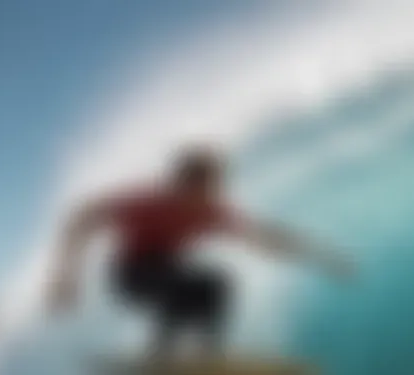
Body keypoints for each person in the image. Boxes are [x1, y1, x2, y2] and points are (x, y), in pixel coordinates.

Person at [48, 146, 354, 358]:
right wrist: (66, 276)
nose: (211, 191)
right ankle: (163, 355)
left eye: (214, 184)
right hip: (131, 276)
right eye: (203, 184)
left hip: (167, 272)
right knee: (179, 286)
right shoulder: (146, 202)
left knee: (215, 285)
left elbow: (261, 235)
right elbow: (82, 217)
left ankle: (205, 356)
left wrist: (321, 257)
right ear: (183, 182)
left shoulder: (210, 212)